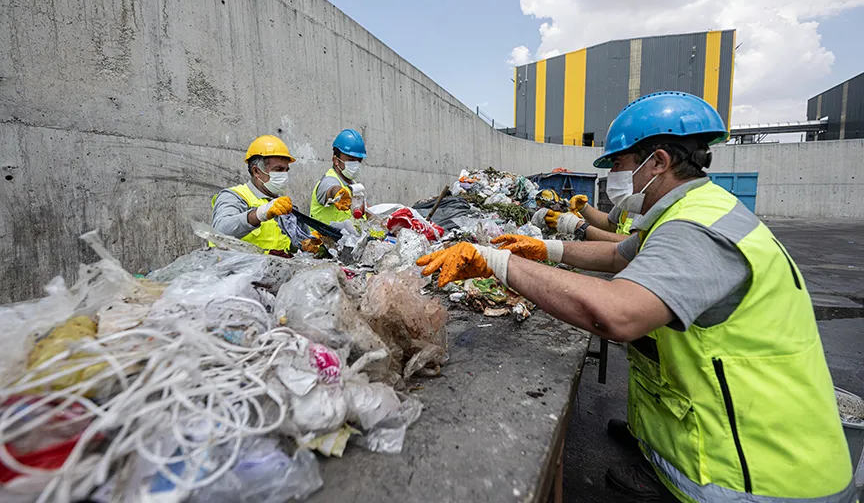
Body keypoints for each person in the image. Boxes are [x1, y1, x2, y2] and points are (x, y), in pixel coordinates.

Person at [416, 92, 854, 502]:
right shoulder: (691, 211)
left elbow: (617, 314)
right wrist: (545, 248)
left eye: (620, 163)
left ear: (658, 161)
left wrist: (496, 263)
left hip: (757, 473)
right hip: (729, 431)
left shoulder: (696, 228)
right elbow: (619, 255)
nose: (613, 176)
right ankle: (655, 449)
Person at [211, 135, 313, 254]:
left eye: (286, 170)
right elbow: (220, 231)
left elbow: (289, 247)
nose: (284, 175)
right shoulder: (234, 196)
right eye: (278, 170)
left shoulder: (282, 205)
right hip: (238, 270)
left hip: (274, 269)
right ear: (256, 171)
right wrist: (259, 214)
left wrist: (306, 243)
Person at [310, 128, 367, 224]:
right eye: (351, 160)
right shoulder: (328, 180)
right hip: (323, 238)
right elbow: (332, 189)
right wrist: (338, 194)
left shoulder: (353, 184)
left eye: (359, 160)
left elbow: (364, 209)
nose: (356, 164)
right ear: (336, 160)